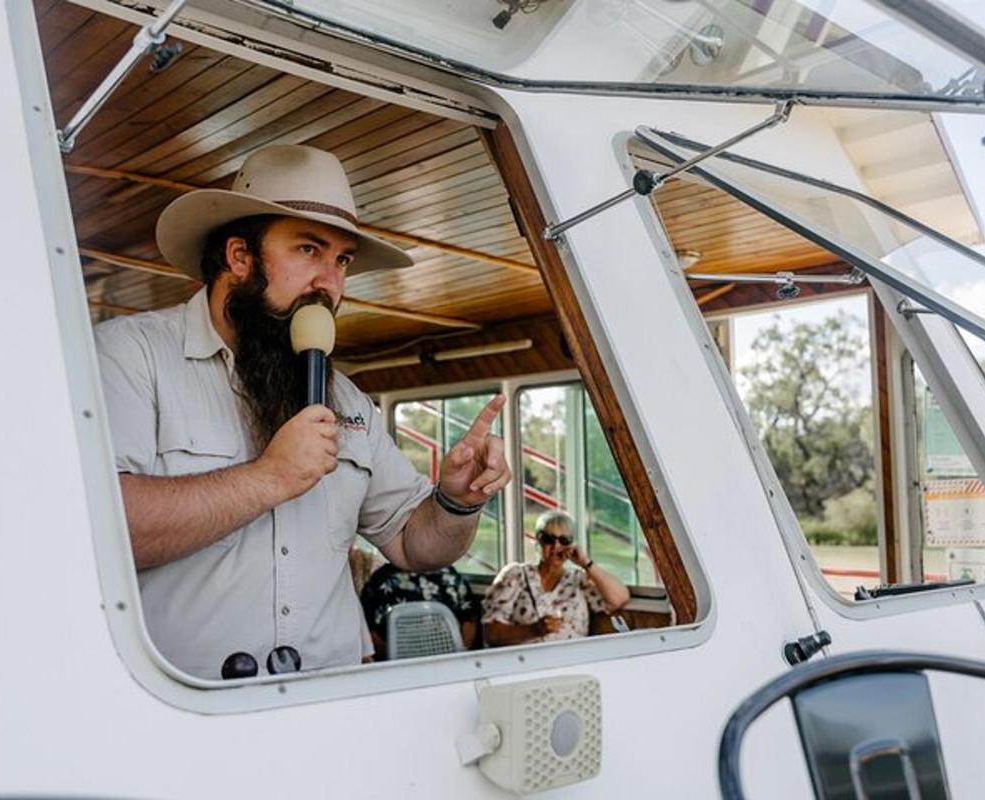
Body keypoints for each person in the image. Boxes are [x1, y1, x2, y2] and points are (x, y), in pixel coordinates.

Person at [94, 144, 512, 679]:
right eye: (309, 250)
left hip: (327, 698)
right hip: (184, 709)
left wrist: (456, 500)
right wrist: (269, 478)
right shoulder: (132, 355)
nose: (330, 285)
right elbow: (100, 531)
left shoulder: (349, 401)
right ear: (239, 256)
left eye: (341, 260)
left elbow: (413, 543)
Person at [481, 510, 630, 646]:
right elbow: (491, 634)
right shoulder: (516, 575)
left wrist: (586, 563)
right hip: (524, 663)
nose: (556, 546)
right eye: (548, 539)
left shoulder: (578, 580)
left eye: (564, 540)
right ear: (538, 540)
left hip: (572, 662)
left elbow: (619, 599)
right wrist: (534, 630)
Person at [359, 562, 480, 659]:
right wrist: (392, 659)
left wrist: (458, 656)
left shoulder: (453, 578)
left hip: (447, 662)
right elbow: (368, 631)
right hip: (397, 666)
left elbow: (469, 621)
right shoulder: (380, 580)